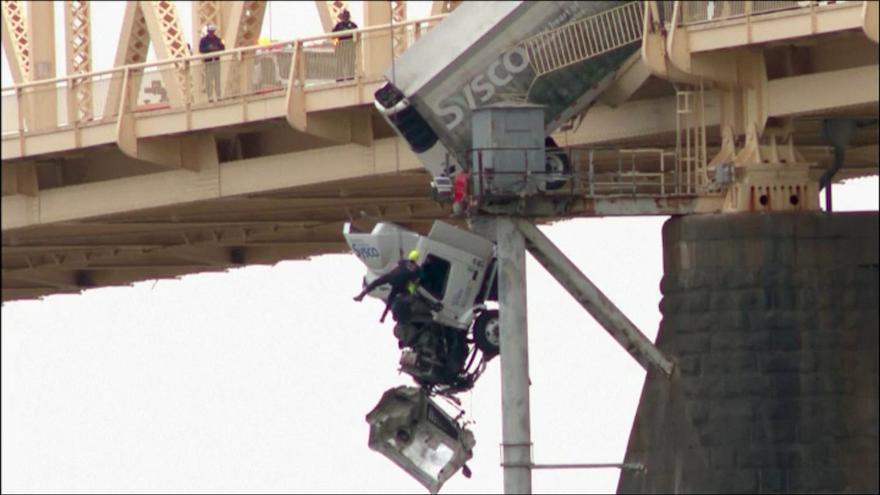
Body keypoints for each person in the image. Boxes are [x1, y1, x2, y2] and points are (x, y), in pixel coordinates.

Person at [354, 249, 422, 323]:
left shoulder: (404, 262)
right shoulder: (417, 269)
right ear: (417, 259)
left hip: (392, 277)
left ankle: (361, 295)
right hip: (400, 284)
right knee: (391, 299)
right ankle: (383, 317)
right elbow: (414, 280)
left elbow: (396, 267)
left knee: (376, 283)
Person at [199, 23, 225, 102]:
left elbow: (223, 48)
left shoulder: (217, 39)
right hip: (208, 62)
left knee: (217, 79)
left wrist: (216, 48)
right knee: (209, 80)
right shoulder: (203, 40)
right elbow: (201, 50)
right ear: (208, 31)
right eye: (210, 31)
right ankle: (210, 96)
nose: (212, 33)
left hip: (216, 61)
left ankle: (218, 95)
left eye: (212, 31)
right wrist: (209, 49)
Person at [332, 10, 358, 81]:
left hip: (350, 48)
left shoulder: (353, 25)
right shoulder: (338, 26)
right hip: (341, 48)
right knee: (340, 64)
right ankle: (339, 79)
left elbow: (357, 35)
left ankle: (351, 79)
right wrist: (336, 45)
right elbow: (333, 36)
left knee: (350, 64)